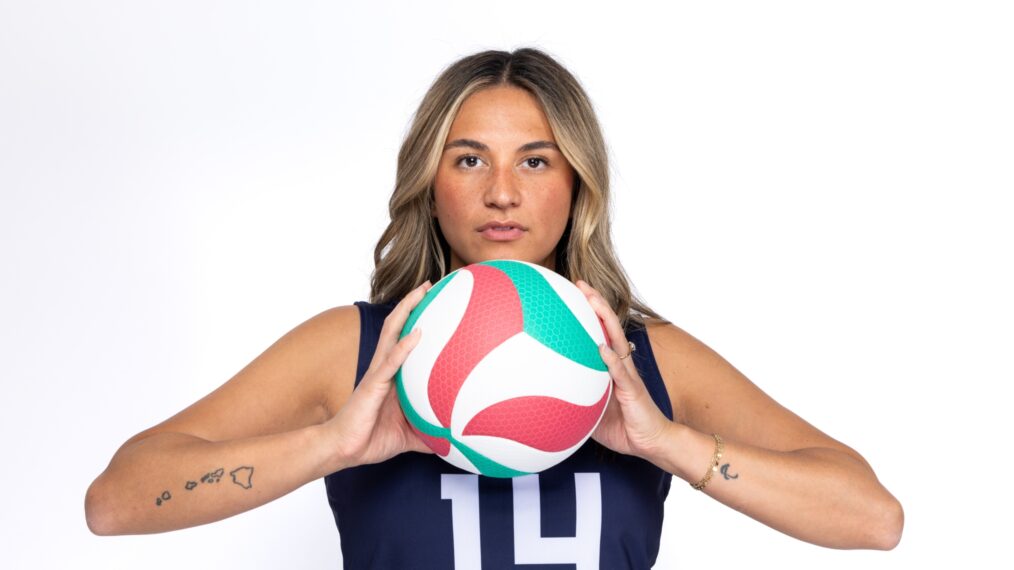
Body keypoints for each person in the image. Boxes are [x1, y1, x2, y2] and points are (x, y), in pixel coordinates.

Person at [85, 48, 903, 567]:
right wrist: (331, 445)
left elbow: (872, 518)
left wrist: (669, 443)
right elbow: (117, 502)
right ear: (428, 184)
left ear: (578, 183)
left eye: (536, 161)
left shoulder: (642, 360)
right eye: (469, 158)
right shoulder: (360, 350)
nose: (502, 193)